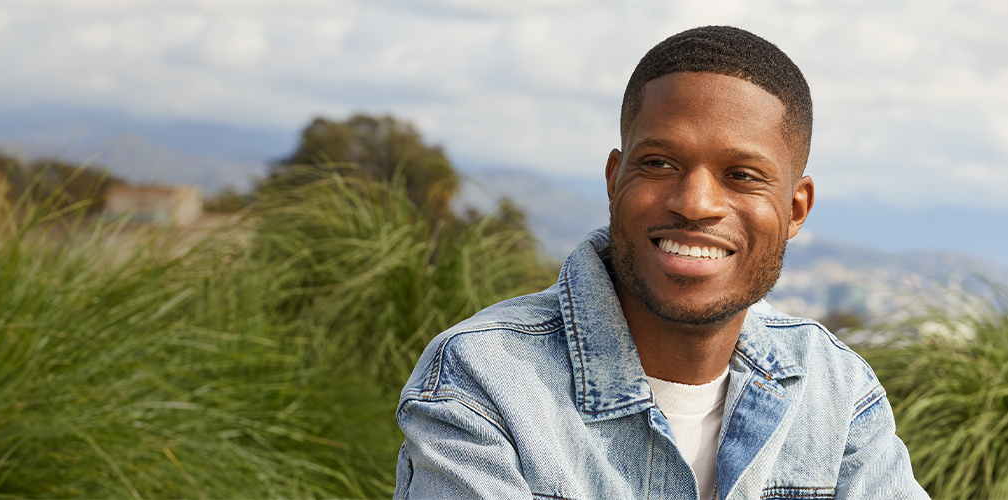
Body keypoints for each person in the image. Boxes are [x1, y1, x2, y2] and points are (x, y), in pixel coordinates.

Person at [393, 26, 929, 500]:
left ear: (795, 209)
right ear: (614, 181)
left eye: (742, 174)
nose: (695, 204)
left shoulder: (835, 389)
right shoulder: (484, 382)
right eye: (659, 163)